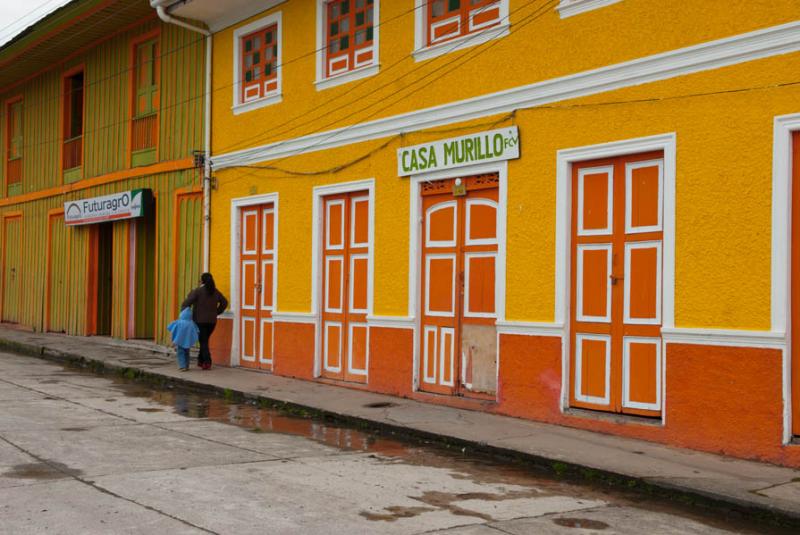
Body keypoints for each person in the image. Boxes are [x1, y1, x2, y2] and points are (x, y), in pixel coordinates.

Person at [181, 273, 228, 370]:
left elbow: (186, 303)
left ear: (202, 281)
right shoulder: (215, 291)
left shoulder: (198, 291)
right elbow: (224, 302)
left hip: (199, 321)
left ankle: (207, 362)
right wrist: (217, 312)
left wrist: (184, 314)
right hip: (212, 322)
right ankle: (201, 361)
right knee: (204, 340)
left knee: (203, 341)